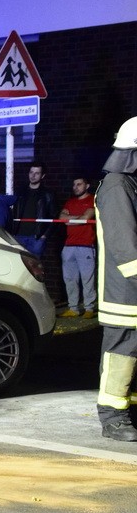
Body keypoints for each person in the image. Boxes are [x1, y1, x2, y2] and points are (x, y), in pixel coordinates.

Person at [94, 116, 137, 441]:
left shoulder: (129, 184)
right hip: (124, 293)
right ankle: (113, 418)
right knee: (121, 354)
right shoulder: (117, 186)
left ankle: (128, 412)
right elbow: (125, 248)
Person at [59, 176, 96, 318]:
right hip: (69, 246)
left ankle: (89, 308)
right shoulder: (70, 201)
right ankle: (73, 308)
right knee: (69, 278)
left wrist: (71, 219)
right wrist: (77, 219)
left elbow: (86, 218)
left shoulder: (92, 200)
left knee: (87, 278)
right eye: (74, 184)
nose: (76, 187)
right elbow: (62, 219)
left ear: (86, 186)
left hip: (85, 245)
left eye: (79, 184)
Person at [14, 163, 57, 257]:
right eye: (31, 172)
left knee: (34, 266)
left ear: (43, 176)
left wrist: (44, 235)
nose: (33, 176)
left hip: (36, 237)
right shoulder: (20, 191)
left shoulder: (48, 194)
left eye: (37, 173)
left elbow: (54, 217)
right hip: (18, 236)